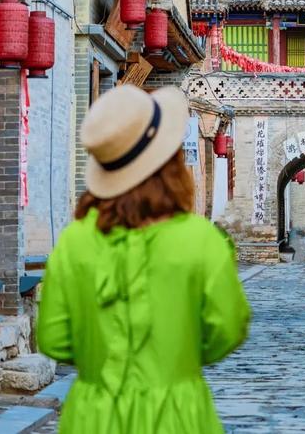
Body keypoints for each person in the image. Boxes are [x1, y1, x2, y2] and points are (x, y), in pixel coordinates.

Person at [37, 84, 250, 433]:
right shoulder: (201, 241)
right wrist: (176, 354)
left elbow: (53, 339)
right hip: (178, 414)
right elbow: (226, 329)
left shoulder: (75, 242)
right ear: (170, 160)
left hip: (93, 417)